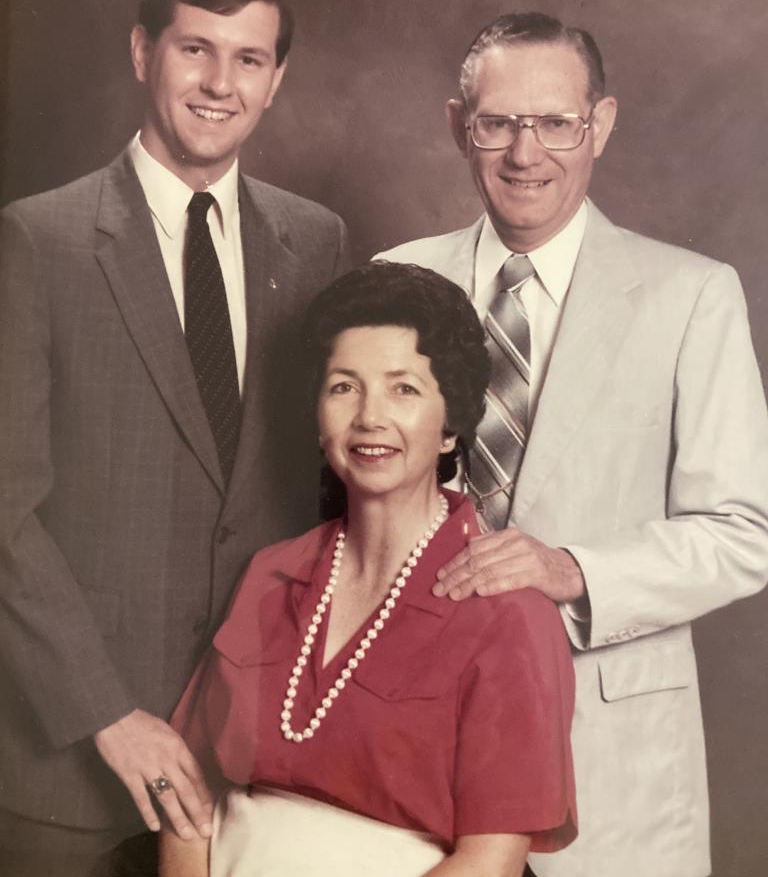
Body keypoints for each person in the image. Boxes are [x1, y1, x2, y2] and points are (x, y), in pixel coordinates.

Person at [376, 12, 768, 877]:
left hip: (609, 765)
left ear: (602, 125)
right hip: (415, 747)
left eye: (555, 122)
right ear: (457, 126)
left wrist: (574, 569)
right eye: (498, 124)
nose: (526, 153)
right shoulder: (392, 281)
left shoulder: (690, 297)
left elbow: (746, 532)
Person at [0, 0, 348, 876]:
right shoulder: (39, 238)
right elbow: (4, 511)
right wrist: (107, 713)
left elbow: (319, 492)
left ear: (276, 81)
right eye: (196, 49)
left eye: (248, 58)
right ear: (143, 52)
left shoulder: (314, 242)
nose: (219, 83)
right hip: (68, 760)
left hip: (251, 755)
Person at [161, 261, 577, 877]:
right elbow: (184, 792)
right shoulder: (269, 575)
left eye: (403, 388)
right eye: (343, 386)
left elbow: (489, 861)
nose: (369, 417)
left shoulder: (509, 613)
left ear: (450, 426)